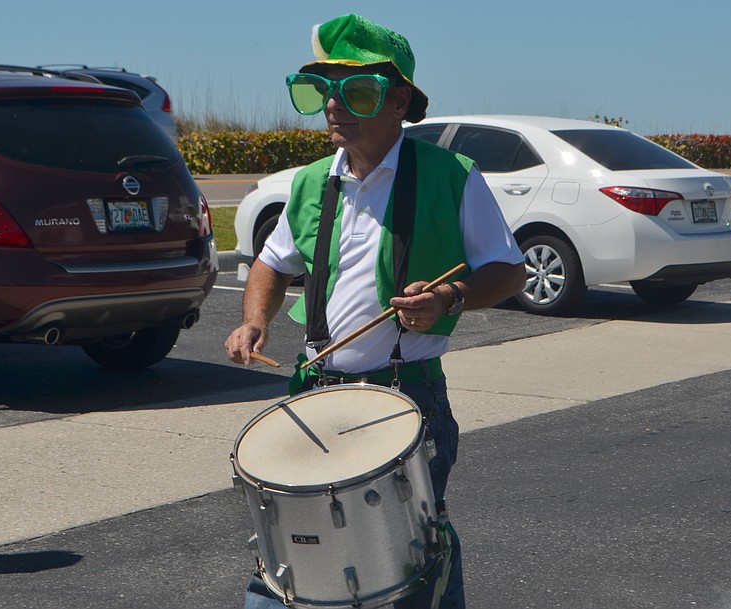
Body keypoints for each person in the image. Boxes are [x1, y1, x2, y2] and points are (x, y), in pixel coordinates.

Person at [225, 13, 525, 609]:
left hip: (405, 393)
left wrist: (450, 298)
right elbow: (269, 263)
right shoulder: (312, 183)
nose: (335, 106)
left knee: (411, 556)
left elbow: (509, 271)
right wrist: (253, 318)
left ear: (400, 101)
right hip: (315, 393)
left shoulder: (450, 176)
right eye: (321, 90)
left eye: (357, 91)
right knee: (297, 563)